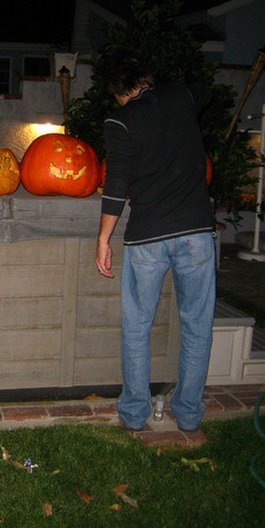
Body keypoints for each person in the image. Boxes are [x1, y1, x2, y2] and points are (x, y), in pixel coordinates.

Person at [95, 51, 216, 432]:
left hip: (147, 237)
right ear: (147, 81)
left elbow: (116, 185)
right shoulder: (182, 96)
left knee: (137, 327)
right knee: (197, 327)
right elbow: (207, 91)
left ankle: (134, 414)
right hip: (197, 234)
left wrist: (103, 238)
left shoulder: (120, 120)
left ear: (119, 93)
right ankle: (189, 414)